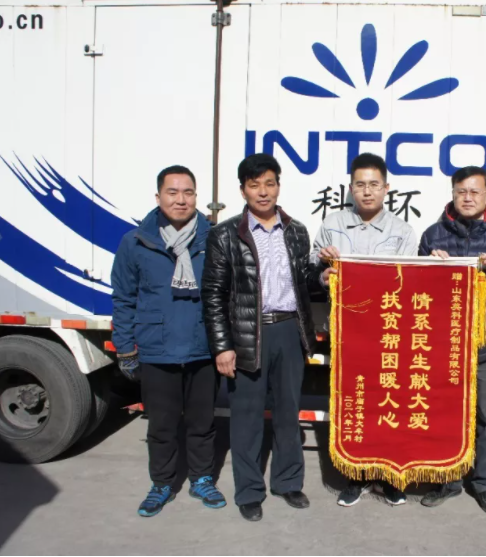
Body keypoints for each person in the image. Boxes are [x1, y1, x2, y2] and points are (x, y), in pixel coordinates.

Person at [201, 153, 320, 522]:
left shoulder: (297, 231)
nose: (263, 192)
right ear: (243, 190)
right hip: (247, 333)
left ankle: (288, 482)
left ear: (278, 186)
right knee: (247, 417)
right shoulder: (225, 234)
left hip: (289, 330)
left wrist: (324, 276)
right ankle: (250, 491)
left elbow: (305, 280)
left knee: (288, 413)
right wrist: (222, 346)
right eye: (255, 185)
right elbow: (213, 294)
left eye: (270, 183)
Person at [111, 165, 226, 517]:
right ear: (158, 196)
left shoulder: (214, 240)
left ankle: (202, 479)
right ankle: (161, 483)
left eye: (188, 192)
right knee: (161, 425)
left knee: (202, 422)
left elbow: (227, 295)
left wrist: (226, 344)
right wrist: (125, 348)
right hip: (157, 348)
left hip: (202, 347)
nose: (180, 200)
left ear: (196, 197)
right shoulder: (136, 242)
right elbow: (124, 298)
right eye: (172, 192)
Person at [417, 165, 486, 514]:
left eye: (474, 192)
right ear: (453, 194)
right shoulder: (433, 235)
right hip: (444, 347)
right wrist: (429, 268)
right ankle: (447, 481)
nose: (467, 198)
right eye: (461, 192)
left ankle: (484, 485)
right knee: (446, 416)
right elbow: (415, 291)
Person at [311, 152, 417, 507]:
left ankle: (388, 476)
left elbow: (411, 281)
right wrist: (325, 274)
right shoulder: (332, 225)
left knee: (389, 405)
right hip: (347, 334)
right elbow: (314, 268)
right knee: (352, 405)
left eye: (374, 184)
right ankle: (354, 476)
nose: (367, 191)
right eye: (360, 185)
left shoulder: (403, 232)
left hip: (389, 335)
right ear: (351, 188)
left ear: (386, 188)